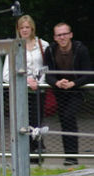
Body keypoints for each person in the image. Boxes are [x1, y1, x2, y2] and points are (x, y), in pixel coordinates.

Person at [43, 22, 91, 166]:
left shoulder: (80, 49)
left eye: (64, 34)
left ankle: (72, 157)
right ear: (55, 37)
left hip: (77, 90)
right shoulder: (50, 50)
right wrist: (57, 83)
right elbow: (48, 74)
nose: (62, 37)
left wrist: (73, 83)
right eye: (59, 35)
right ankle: (69, 157)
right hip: (60, 90)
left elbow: (88, 75)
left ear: (70, 35)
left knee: (69, 116)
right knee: (64, 121)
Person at [1, 15, 49, 159]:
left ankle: (37, 153)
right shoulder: (14, 46)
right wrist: (26, 81)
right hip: (21, 91)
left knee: (37, 122)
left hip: (39, 90)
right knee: (23, 123)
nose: (25, 30)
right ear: (18, 29)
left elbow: (47, 68)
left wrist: (38, 82)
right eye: (21, 27)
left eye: (27, 27)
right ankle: (25, 155)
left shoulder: (43, 45)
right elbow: (6, 75)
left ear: (32, 28)